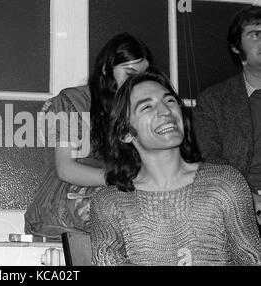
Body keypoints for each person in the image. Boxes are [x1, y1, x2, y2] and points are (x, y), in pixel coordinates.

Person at [90, 70, 261, 266]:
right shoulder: (109, 203)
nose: (165, 111)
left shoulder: (225, 183)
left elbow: (253, 259)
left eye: (170, 101)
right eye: (147, 107)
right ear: (125, 132)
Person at [25, 33, 152, 239]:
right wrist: (122, 180)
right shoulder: (72, 101)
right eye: (129, 74)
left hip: (118, 218)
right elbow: (66, 170)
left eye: (143, 76)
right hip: (64, 218)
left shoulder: (138, 109)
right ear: (105, 69)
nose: (137, 83)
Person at [193, 5, 261, 227]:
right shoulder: (212, 101)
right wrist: (247, 197)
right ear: (236, 47)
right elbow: (209, 159)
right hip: (234, 208)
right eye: (256, 34)